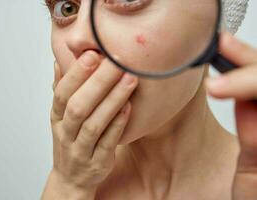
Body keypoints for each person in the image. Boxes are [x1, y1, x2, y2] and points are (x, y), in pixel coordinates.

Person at [41, 0, 257, 199]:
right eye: (66, 7)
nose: (77, 39)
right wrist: (66, 186)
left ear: (211, 25)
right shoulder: (71, 183)